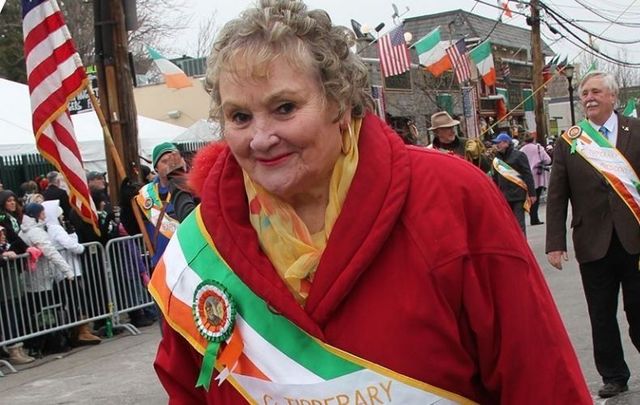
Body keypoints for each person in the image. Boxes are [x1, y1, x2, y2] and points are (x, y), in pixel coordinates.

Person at [149, 1, 591, 403]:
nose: (261, 138)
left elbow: (539, 377)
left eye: (284, 107)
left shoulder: (452, 197)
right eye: (240, 117)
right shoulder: (200, 249)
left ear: (339, 103)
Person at [546, 71, 640, 399]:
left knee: (639, 309)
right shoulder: (570, 139)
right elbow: (557, 194)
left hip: (635, 239)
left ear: (613, 97)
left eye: (596, 91)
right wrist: (554, 243)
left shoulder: (636, 131)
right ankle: (614, 374)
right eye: (585, 92)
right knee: (601, 315)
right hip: (592, 242)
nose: (589, 97)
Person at [41, 200, 102, 345]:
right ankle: (80, 331)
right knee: (77, 300)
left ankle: (81, 329)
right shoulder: (55, 228)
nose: (62, 218)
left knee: (75, 299)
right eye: (60, 215)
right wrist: (79, 246)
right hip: (69, 271)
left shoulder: (50, 229)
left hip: (66, 271)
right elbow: (72, 246)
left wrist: (72, 235)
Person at [133, 142, 186, 266]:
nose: (171, 164)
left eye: (174, 159)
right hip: (163, 263)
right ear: (156, 168)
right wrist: (125, 204)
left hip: (189, 259)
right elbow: (132, 228)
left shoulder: (193, 188)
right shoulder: (146, 194)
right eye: (165, 161)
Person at [491, 132, 536, 234]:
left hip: (518, 195)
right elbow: (495, 178)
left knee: (519, 224)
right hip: (504, 196)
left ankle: (522, 247)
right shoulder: (496, 159)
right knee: (508, 225)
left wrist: (532, 193)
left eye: (499, 142)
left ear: (506, 143)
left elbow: (527, 174)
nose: (496, 145)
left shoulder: (519, 155)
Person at [519, 132, 552, 225]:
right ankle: (535, 218)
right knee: (536, 197)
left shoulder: (521, 150)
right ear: (533, 139)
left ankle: (532, 217)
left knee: (529, 197)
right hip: (538, 175)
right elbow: (548, 160)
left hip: (525, 175)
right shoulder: (538, 148)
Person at [0, 190, 27, 255]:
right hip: (10, 251)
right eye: (9, 201)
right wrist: (26, 247)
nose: (13, 203)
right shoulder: (2, 217)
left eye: (14, 200)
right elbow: (12, 234)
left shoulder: (14, 217)